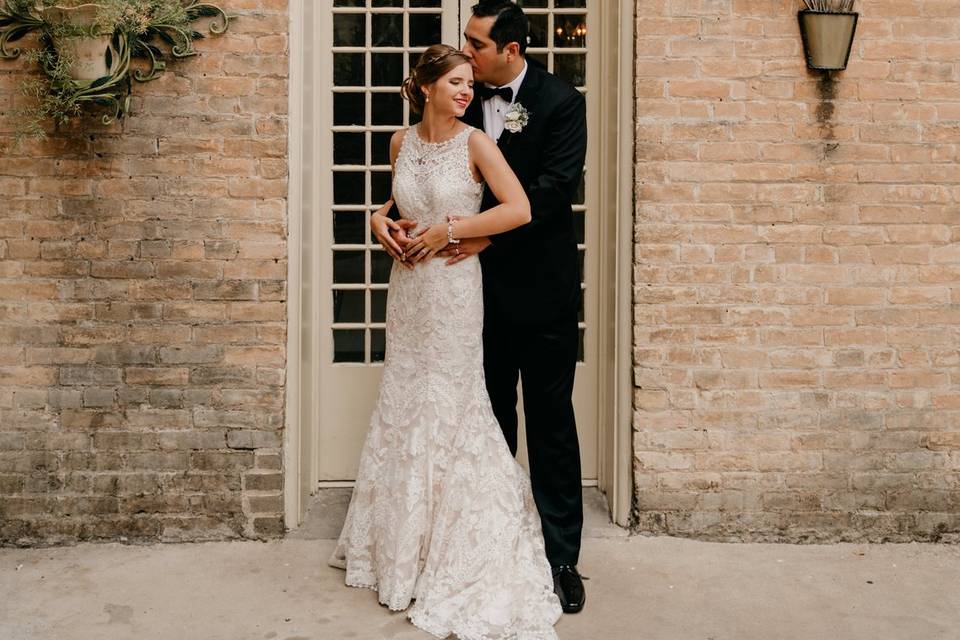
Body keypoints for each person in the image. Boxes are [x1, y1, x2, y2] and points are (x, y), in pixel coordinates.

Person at [329, 44, 563, 640]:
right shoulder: (400, 143)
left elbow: (519, 209)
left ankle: (459, 543)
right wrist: (378, 221)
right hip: (407, 292)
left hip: (456, 290)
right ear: (426, 87)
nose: (465, 92)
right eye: (455, 83)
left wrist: (454, 229)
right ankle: (402, 545)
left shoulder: (477, 143)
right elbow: (400, 203)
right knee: (405, 400)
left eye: (469, 83)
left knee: (454, 402)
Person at [372, 0, 588, 614]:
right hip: (458, 295)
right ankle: (470, 541)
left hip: (536, 288)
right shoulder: (437, 122)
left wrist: (472, 234)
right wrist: (379, 218)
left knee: (549, 423)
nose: (466, 52)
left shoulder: (560, 103)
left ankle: (560, 558)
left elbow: (549, 193)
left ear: (510, 50)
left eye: (476, 44)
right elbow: (406, 191)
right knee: (482, 417)